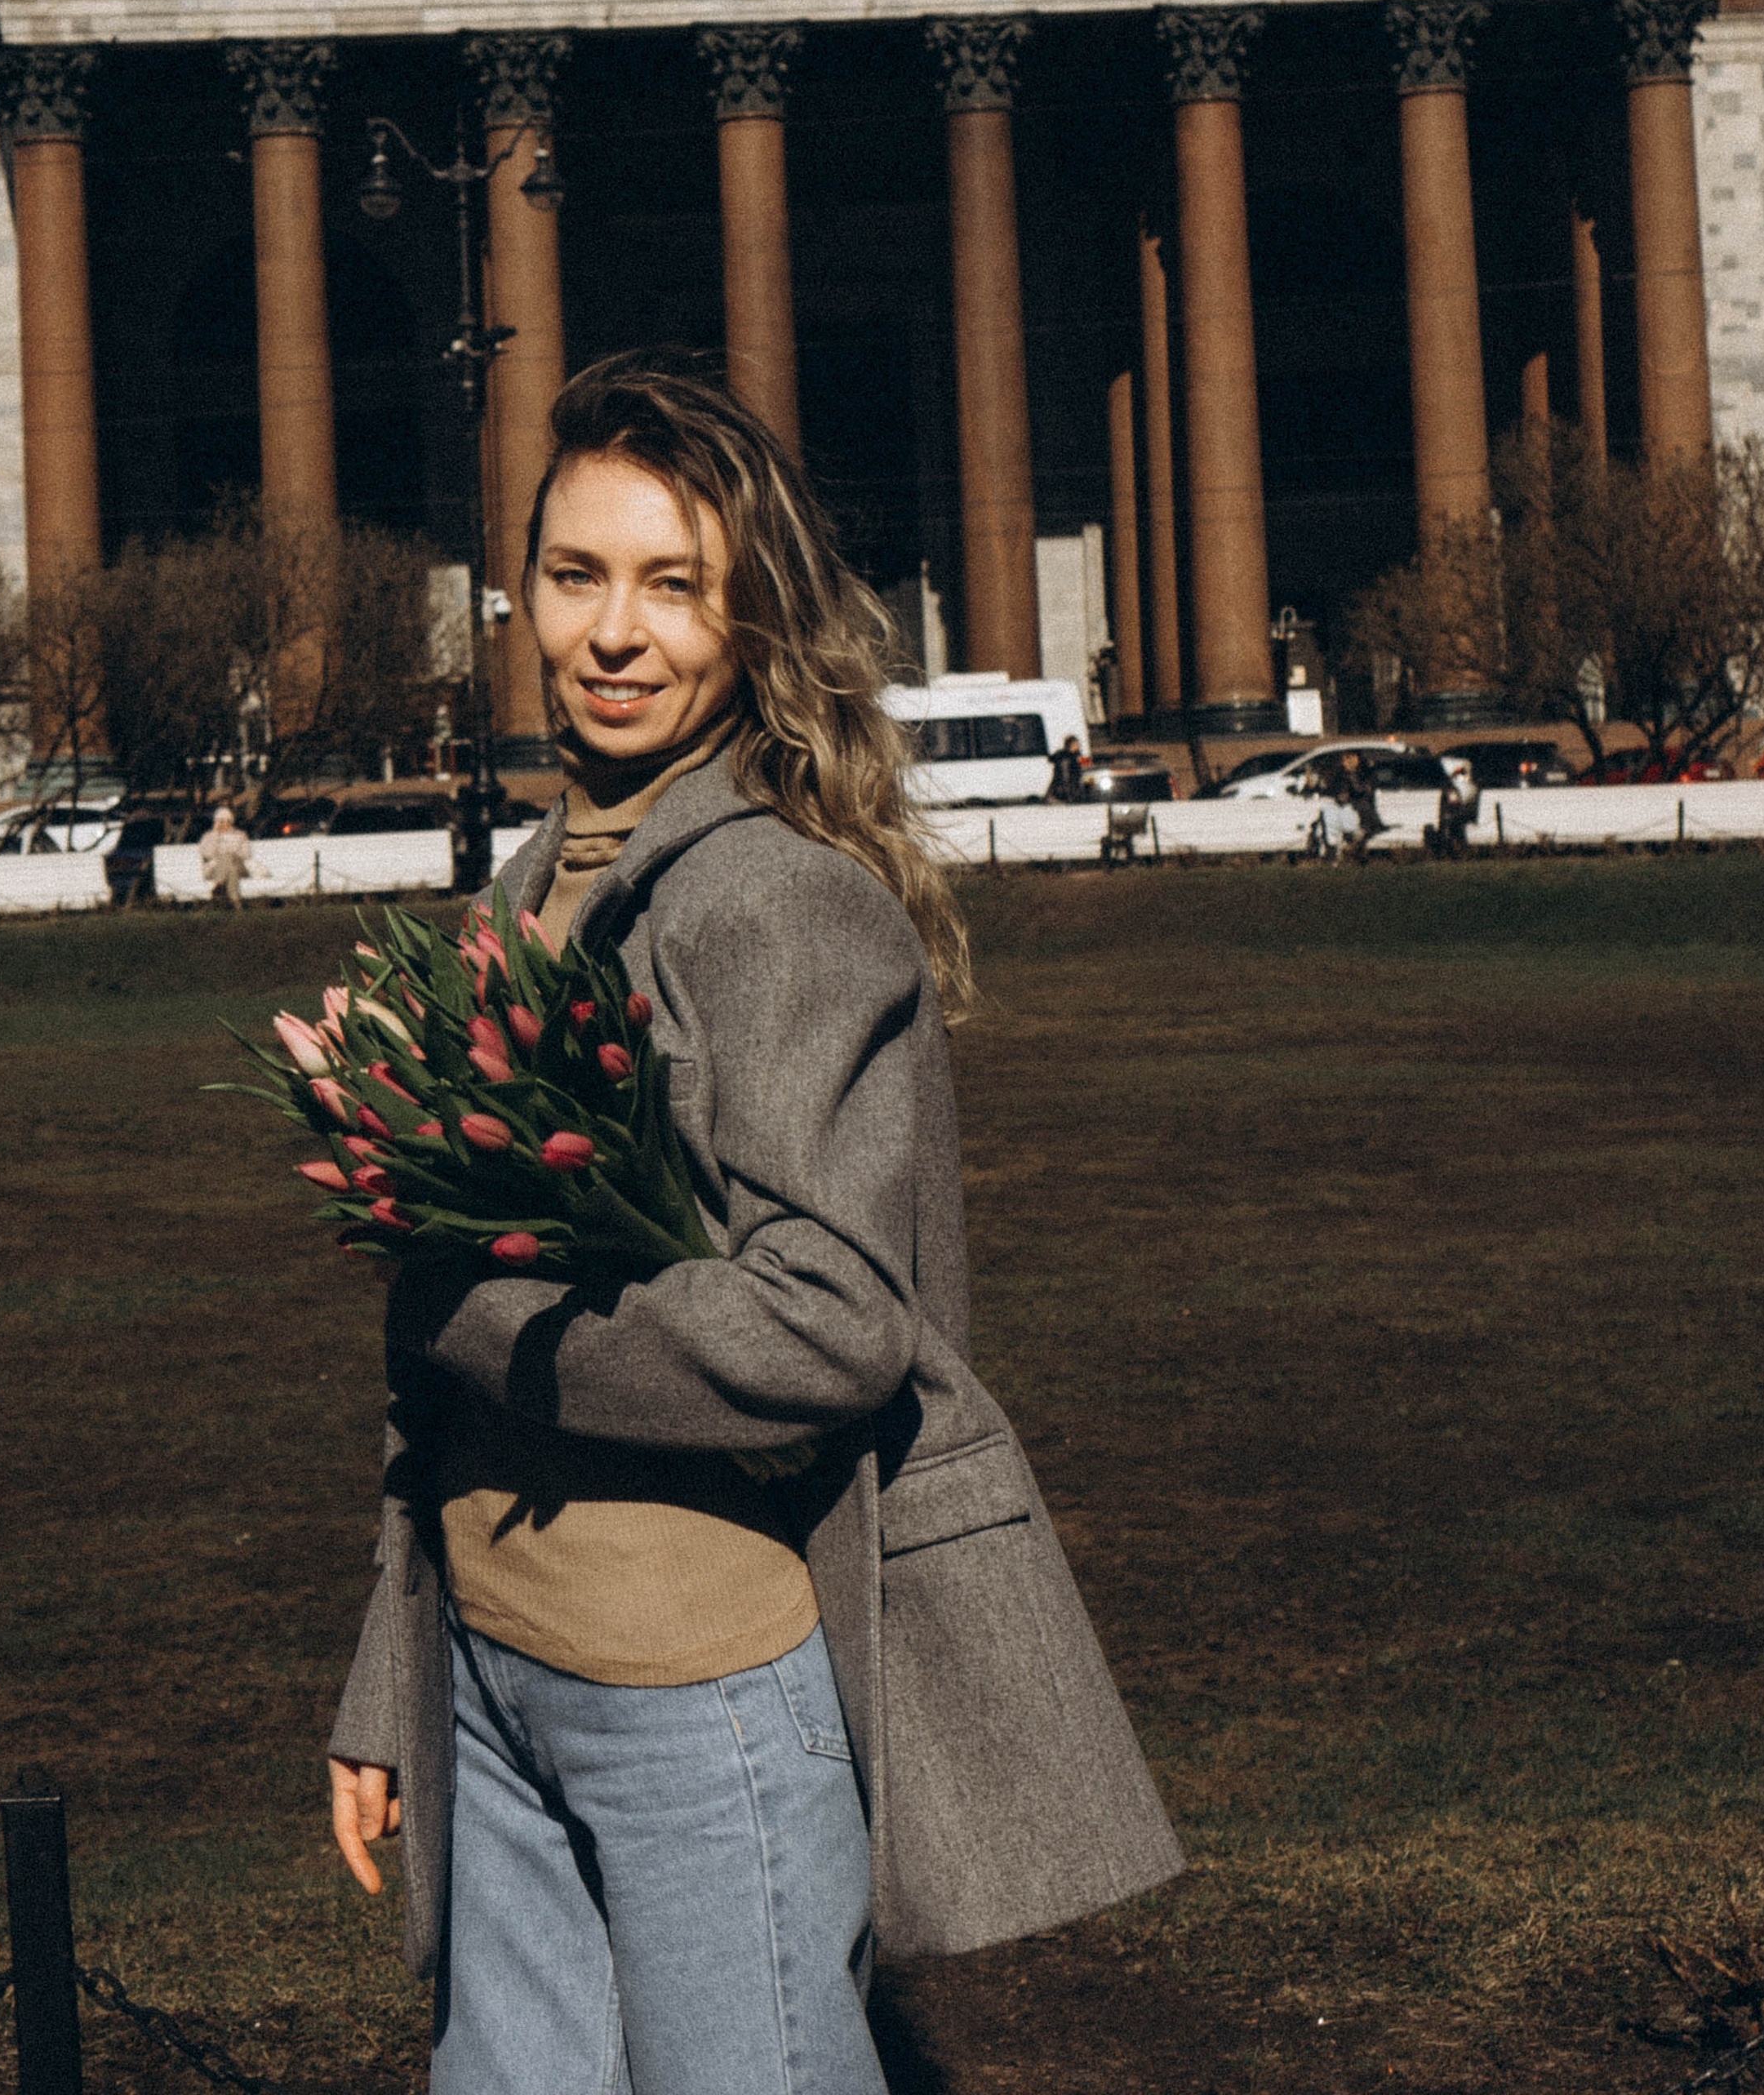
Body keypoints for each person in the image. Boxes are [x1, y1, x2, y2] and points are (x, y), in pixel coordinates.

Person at [326, 357, 1182, 2095]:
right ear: (521, 591)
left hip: (693, 1691)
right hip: (491, 1673)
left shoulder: (780, 905)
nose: (613, 634)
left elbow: (824, 1324)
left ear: (752, 615)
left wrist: (477, 1304)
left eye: (673, 584)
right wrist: (383, 1673)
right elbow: (441, 1405)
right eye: (577, 577)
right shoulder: (519, 891)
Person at [198, 803, 252, 910]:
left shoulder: (240, 835)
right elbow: (207, 854)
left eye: (227, 821)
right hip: (215, 870)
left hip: (239, 866)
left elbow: (247, 854)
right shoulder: (209, 836)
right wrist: (215, 835)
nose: (224, 824)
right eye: (221, 821)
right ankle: (236, 902)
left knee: (228, 859)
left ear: (231, 822)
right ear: (216, 822)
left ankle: (219, 885)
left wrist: (232, 855)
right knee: (231, 870)